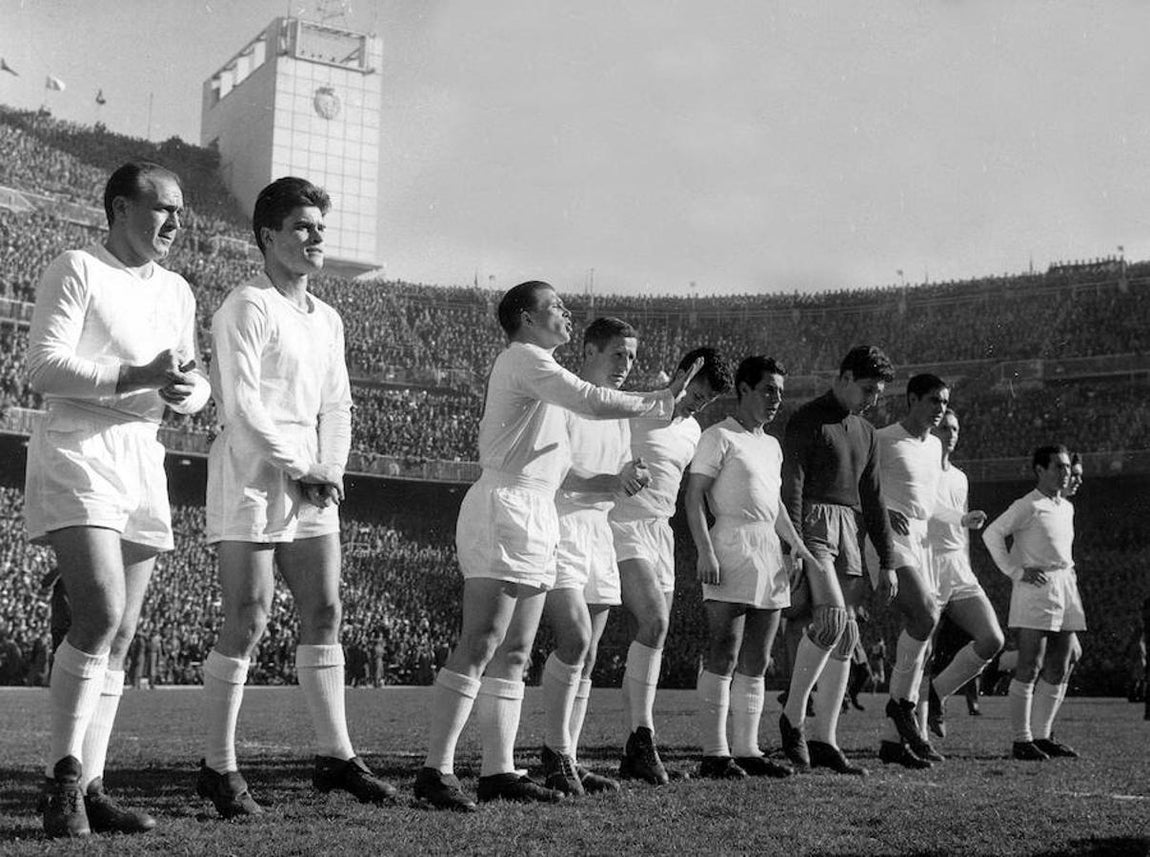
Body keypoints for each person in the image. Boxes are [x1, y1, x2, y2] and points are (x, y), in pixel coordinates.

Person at [414, 280, 699, 811]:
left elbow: (579, 424)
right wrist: (660, 399)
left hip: (538, 509)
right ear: (525, 318)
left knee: (516, 650)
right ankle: (436, 768)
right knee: (483, 640)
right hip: (507, 502)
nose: (565, 312)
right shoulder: (523, 358)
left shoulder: (545, 369)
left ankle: (498, 771)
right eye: (555, 307)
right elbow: (589, 400)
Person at [197, 177, 395, 818]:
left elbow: (337, 403)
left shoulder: (329, 318)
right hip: (254, 474)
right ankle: (218, 766)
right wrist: (303, 465)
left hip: (312, 478)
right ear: (268, 237)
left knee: (326, 610)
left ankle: (335, 756)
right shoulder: (246, 306)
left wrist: (328, 467)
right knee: (249, 617)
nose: (316, 239)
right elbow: (244, 407)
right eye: (304, 228)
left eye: (320, 228)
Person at [24, 160, 209, 837]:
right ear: (121, 207)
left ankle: (93, 784)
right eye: (162, 207)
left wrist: (191, 392)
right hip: (79, 442)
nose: (174, 223)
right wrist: (136, 374)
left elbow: (191, 376)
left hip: (141, 451)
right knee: (99, 609)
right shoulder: (76, 267)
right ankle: (61, 779)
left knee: (123, 630)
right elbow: (42, 366)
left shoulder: (180, 292)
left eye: (181, 212)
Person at [533, 317, 649, 796]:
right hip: (561, 525)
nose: (625, 366)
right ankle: (555, 753)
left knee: (591, 654)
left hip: (599, 529)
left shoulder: (617, 413)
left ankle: (570, 758)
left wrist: (628, 474)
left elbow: (611, 472)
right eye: (617, 354)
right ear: (590, 351)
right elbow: (560, 474)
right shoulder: (564, 397)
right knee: (575, 640)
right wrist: (611, 481)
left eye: (632, 358)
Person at [686, 355, 817, 779]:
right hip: (730, 542)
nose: (776, 399)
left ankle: (748, 749)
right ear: (743, 390)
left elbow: (775, 504)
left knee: (758, 658)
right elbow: (693, 497)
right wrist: (705, 550)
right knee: (724, 649)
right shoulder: (718, 436)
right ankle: (715, 753)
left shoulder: (772, 444)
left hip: (768, 551)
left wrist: (794, 545)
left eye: (780, 391)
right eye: (768, 390)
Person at [611, 346, 733, 785]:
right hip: (621, 521)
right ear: (685, 373)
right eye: (699, 391)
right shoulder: (639, 406)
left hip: (661, 533)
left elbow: (695, 490)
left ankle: (634, 748)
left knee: (650, 638)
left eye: (710, 399)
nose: (701, 402)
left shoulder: (694, 432)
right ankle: (644, 739)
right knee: (656, 623)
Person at [777, 345, 896, 775]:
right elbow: (792, 484)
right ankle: (792, 718)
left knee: (846, 637)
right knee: (830, 622)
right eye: (867, 389)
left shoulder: (866, 432)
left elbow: (875, 499)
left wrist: (888, 559)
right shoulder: (807, 419)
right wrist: (792, 543)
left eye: (879, 392)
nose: (873, 399)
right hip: (812, 523)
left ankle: (825, 738)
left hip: (848, 528)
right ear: (843, 377)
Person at [871, 375, 987, 768]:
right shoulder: (883, 438)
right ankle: (901, 705)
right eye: (934, 401)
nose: (940, 408)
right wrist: (883, 511)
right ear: (913, 400)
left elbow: (929, 506)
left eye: (945, 402)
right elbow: (855, 487)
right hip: (887, 540)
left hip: (922, 543)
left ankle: (892, 740)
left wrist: (961, 517)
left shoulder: (934, 445)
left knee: (924, 630)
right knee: (925, 614)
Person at [982, 445, 1083, 761]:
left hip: (1065, 586)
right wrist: (1016, 571)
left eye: (1067, 467)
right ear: (1040, 469)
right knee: (1030, 663)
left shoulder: (1065, 507)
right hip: (1035, 588)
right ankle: (1021, 739)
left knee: (1061, 662)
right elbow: (992, 533)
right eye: (1058, 466)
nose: (1064, 472)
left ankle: (1042, 735)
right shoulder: (1028, 505)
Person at [924, 408, 1004, 739]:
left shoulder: (960, 477)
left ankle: (937, 693)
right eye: (944, 428)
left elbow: (963, 531)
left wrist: (967, 565)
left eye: (955, 428)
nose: (951, 434)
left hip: (958, 567)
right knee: (921, 652)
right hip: (925, 562)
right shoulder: (920, 470)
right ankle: (911, 733)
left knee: (991, 639)